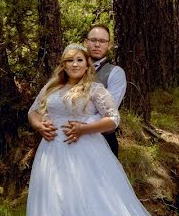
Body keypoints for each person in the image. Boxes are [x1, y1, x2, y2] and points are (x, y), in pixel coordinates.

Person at [25, 43, 179, 216]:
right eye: (69, 60)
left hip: (85, 151)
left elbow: (113, 119)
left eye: (79, 60)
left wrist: (83, 129)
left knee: (87, 200)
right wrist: (39, 126)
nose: (74, 64)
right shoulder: (52, 87)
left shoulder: (95, 89)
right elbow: (33, 111)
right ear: (63, 65)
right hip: (52, 152)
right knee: (57, 200)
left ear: (87, 64)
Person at [36, 24, 126, 156]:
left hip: (100, 140)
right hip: (60, 141)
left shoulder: (115, 72)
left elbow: (110, 111)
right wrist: (46, 122)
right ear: (86, 42)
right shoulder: (69, 71)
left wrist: (81, 127)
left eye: (102, 41)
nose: (97, 44)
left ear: (109, 45)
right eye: (93, 40)